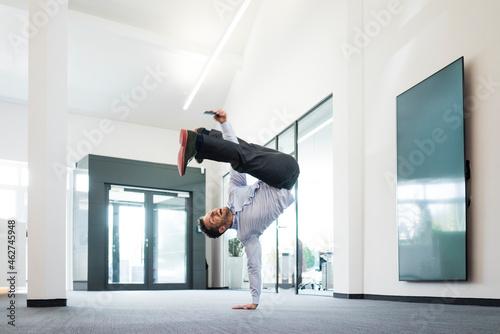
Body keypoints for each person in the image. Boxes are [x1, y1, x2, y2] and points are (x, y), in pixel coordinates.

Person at [177, 110, 300, 310]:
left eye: (210, 212)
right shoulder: (247, 235)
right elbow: (254, 265)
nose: (214, 211)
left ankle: (204, 136)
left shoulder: (233, 192)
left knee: (241, 153)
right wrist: (255, 300)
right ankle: (198, 144)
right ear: (221, 230)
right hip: (285, 178)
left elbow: (234, 149)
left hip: (277, 161)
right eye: (212, 218)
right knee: (244, 158)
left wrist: (224, 124)